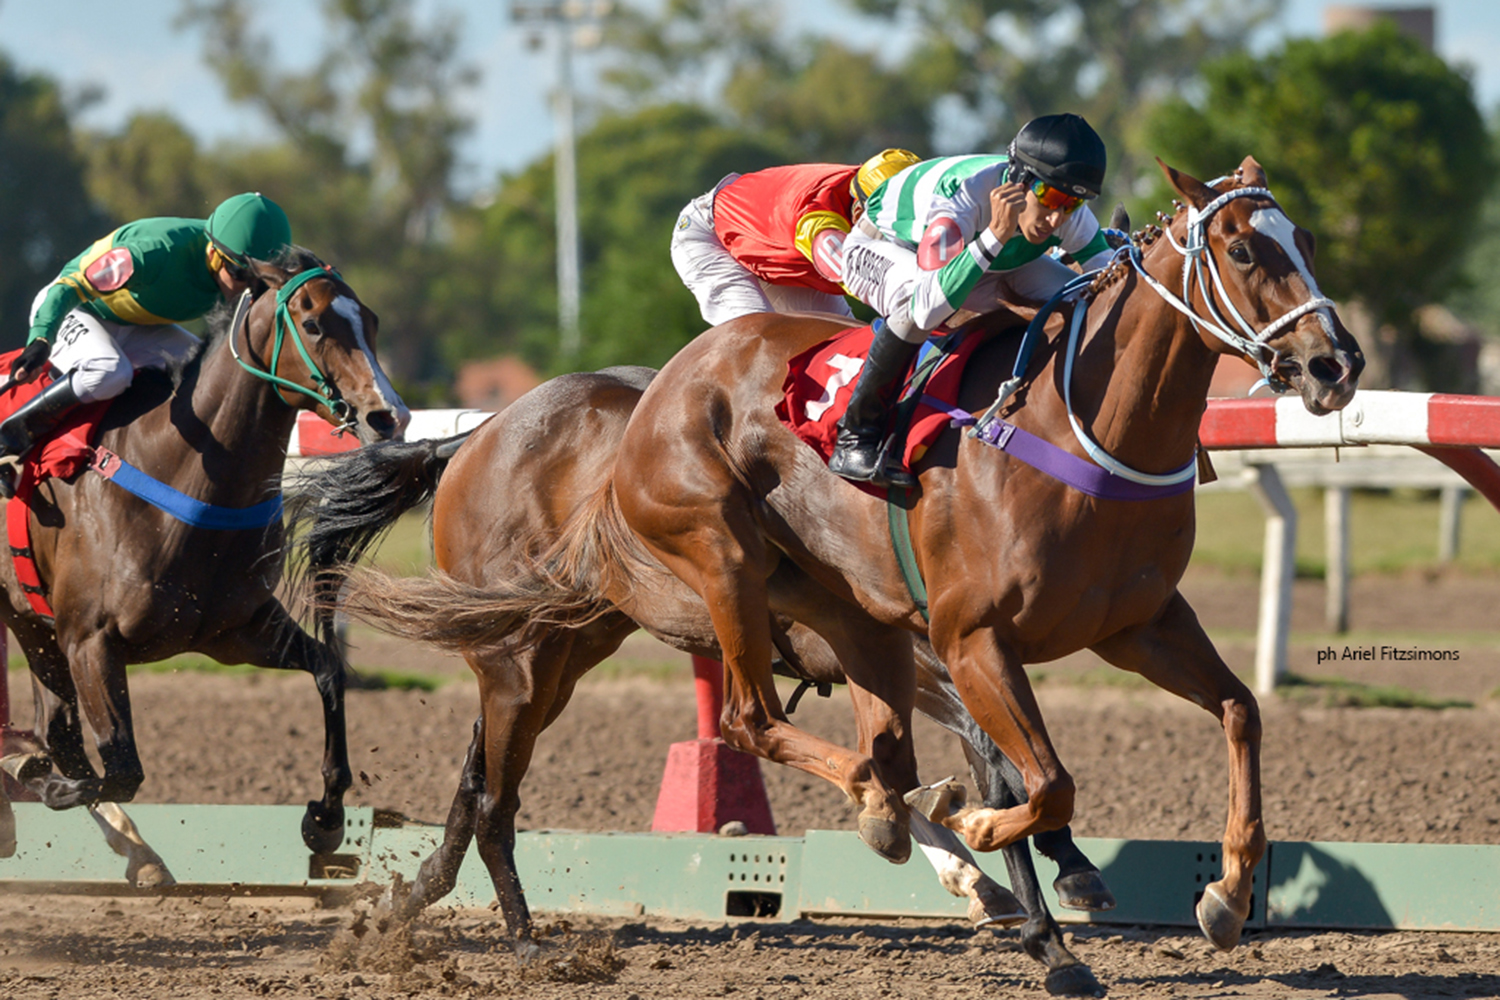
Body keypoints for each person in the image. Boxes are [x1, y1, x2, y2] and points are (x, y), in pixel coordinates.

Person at [833, 113, 1115, 487]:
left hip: (985, 259)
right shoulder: (961, 200)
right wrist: (995, 235)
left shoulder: (1064, 213)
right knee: (912, 306)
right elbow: (928, 309)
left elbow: (1112, 281)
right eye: (1050, 198)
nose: (1056, 218)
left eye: (1073, 204)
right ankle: (855, 435)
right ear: (1018, 180)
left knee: (1083, 298)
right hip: (884, 248)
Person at [1, 192, 293, 496]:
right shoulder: (154, 252)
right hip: (76, 310)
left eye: (261, 280)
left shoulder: (231, 264)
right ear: (214, 253)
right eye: (241, 273)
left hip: (135, 325)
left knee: (209, 372)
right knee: (110, 371)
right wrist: (41, 338)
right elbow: (68, 287)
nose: (250, 288)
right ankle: (9, 437)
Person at [670, 149, 922, 326]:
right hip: (710, 235)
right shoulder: (818, 221)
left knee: (844, 344)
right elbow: (863, 275)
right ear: (858, 210)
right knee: (760, 337)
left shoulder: (876, 181)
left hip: (778, 247)